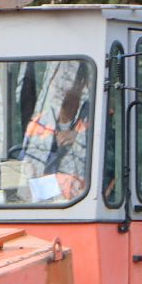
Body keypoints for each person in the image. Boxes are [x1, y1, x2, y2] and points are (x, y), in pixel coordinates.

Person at [16, 62, 92, 200]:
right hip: (41, 206)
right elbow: (24, 174)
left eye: (67, 76)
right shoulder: (38, 124)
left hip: (79, 206)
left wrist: (79, 140)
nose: (59, 83)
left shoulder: (98, 121)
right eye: (56, 76)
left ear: (82, 83)